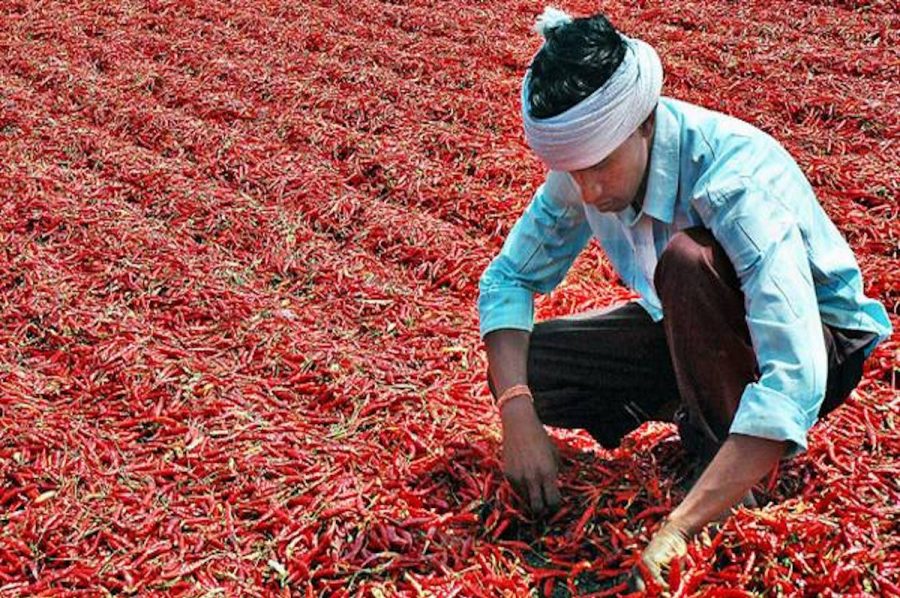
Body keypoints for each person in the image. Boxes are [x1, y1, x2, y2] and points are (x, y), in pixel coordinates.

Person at [478, 7, 892, 588]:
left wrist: (679, 527)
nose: (587, 191)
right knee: (531, 364)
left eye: (598, 167)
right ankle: (701, 403)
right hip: (689, 319)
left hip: (821, 345)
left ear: (644, 123)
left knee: (688, 261)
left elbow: (795, 375)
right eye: (571, 172)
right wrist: (516, 409)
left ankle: (727, 455)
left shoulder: (732, 179)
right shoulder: (584, 171)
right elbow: (508, 280)